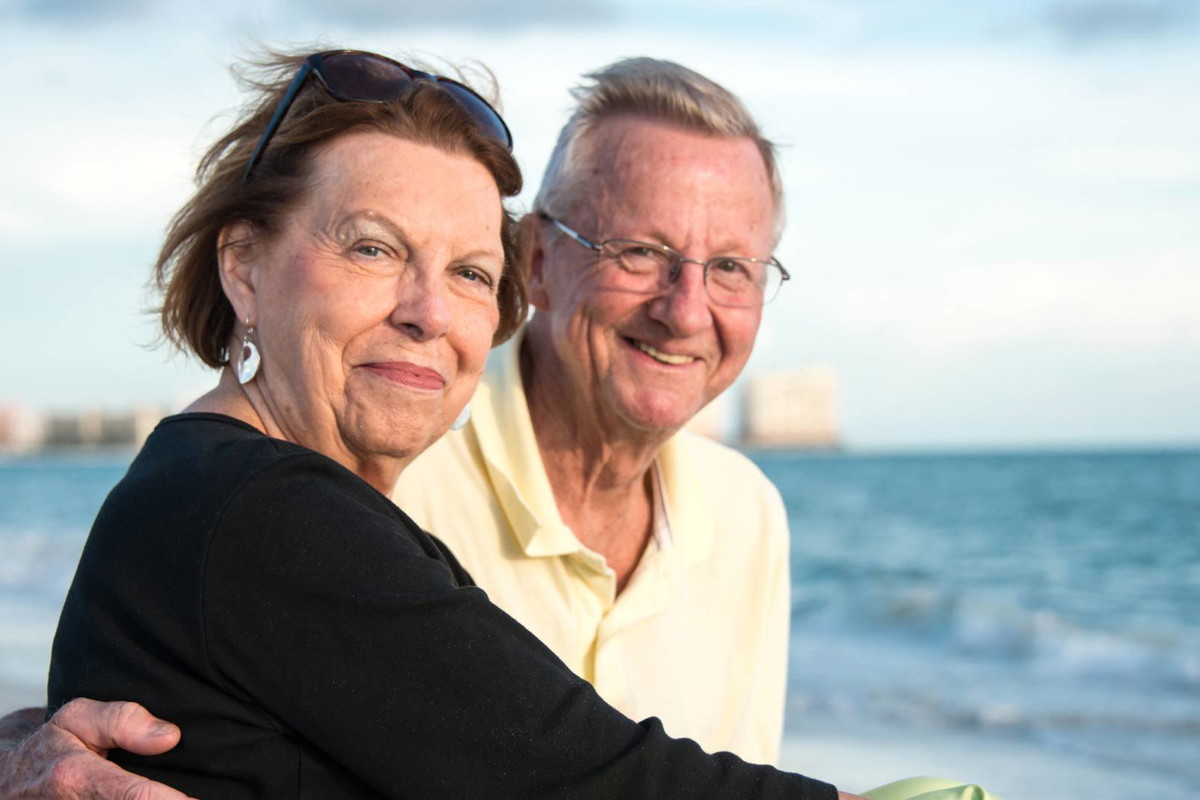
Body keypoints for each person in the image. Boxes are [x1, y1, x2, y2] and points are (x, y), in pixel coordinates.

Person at [2, 47, 856, 798]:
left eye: (470, 275)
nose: (428, 312)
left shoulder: (747, 513)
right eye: (373, 247)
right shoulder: (279, 508)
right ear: (246, 265)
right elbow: (591, 775)